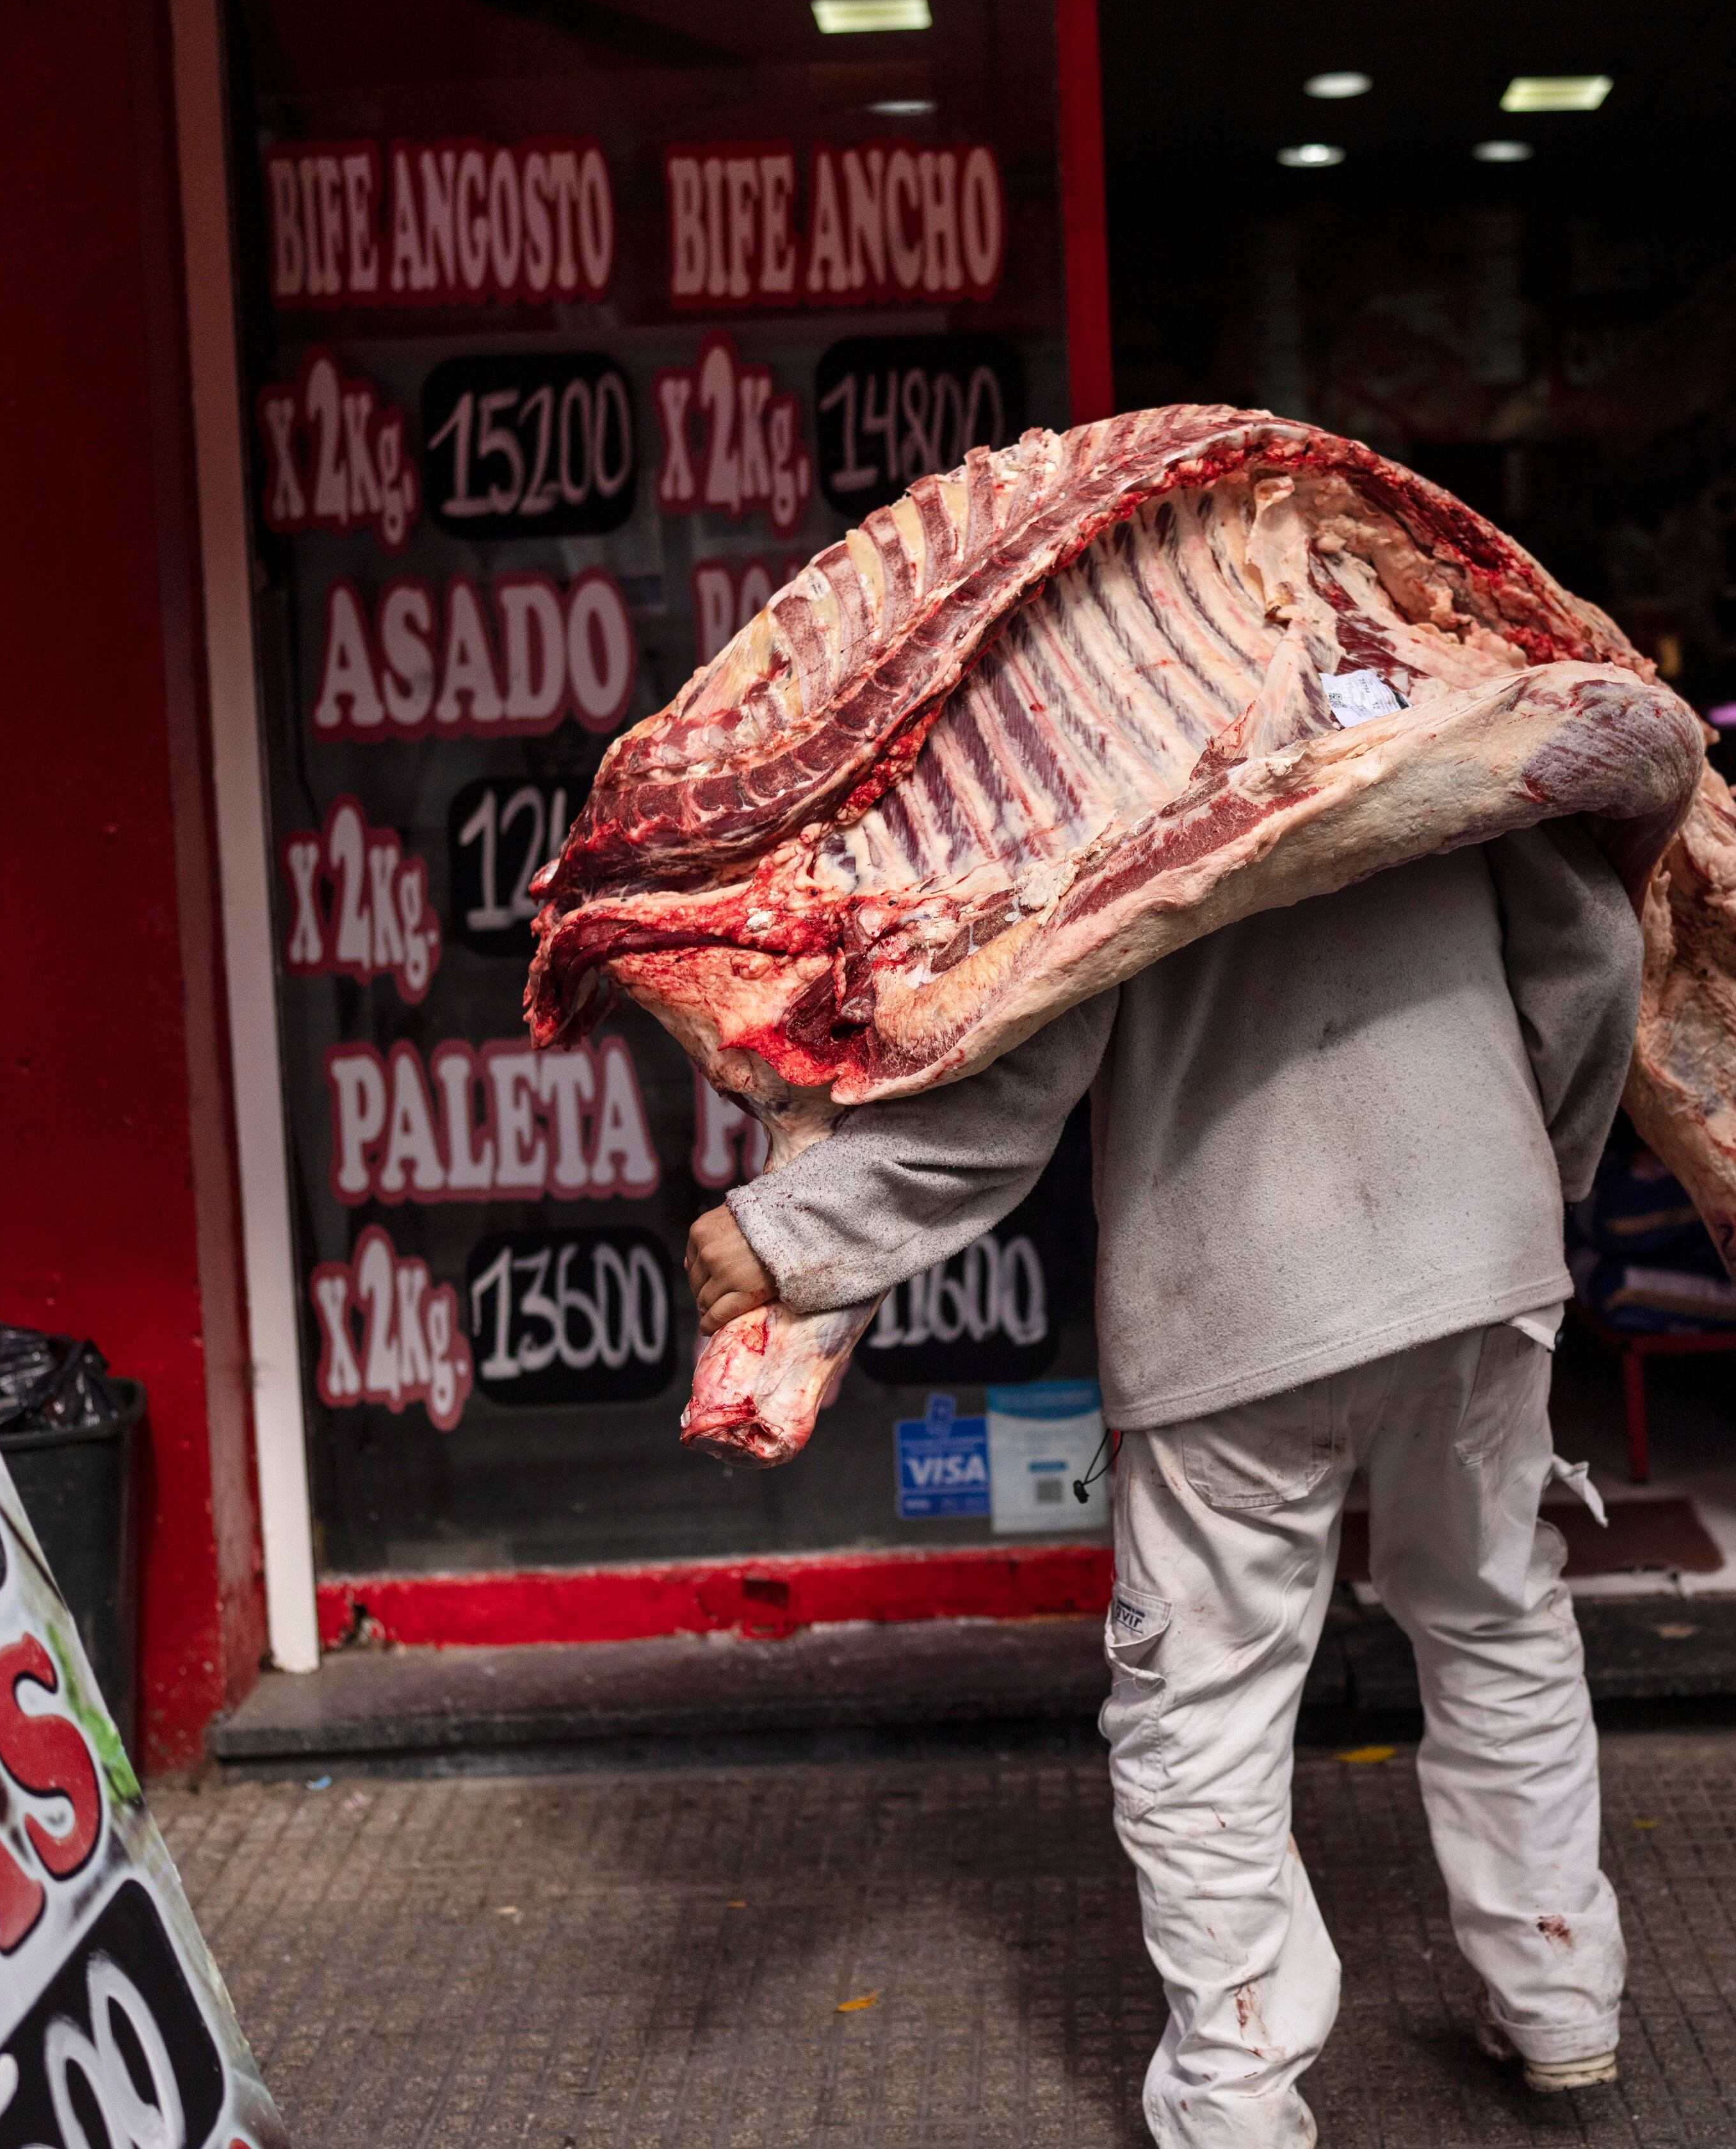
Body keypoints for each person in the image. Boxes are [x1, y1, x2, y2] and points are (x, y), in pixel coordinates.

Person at [685, 821, 1643, 2148]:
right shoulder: (1434, 674)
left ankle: (1237, 2098)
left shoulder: (1124, 750)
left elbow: (1017, 1079)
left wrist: (789, 1231)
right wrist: (1534, 1175)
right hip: (1481, 1258)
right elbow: (1590, 950)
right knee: (1494, 1617)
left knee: (1204, 1708)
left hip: (1235, 1288)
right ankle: (1561, 2002)